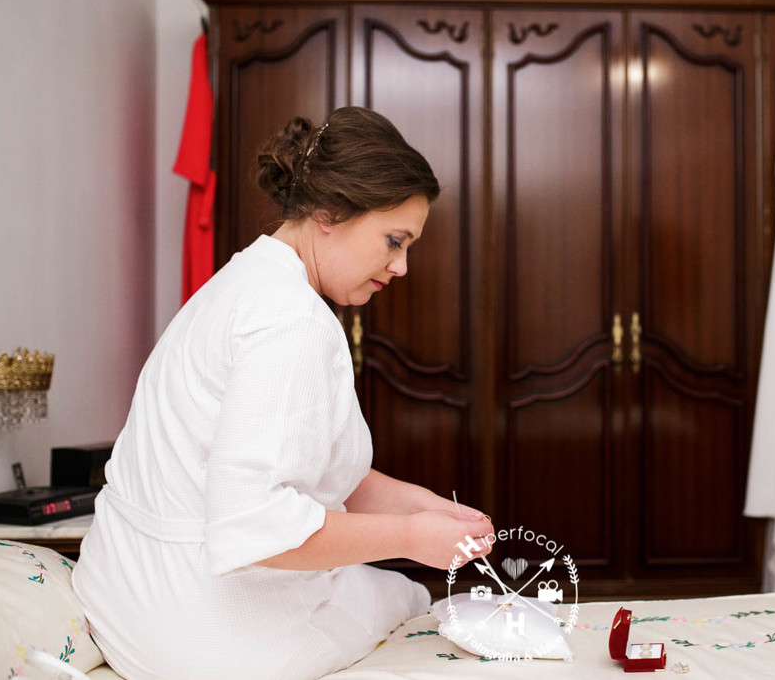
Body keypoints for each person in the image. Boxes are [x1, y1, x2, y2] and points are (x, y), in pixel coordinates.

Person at [72, 107, 495, 680]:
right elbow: (256, 522)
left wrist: (425, 508)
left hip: (124, 592)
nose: (400, 267)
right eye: (394, 241)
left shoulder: (244, 282)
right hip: (199, 632)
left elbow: (311, 466)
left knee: (386, 587)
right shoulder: (289, 322)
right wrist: (411, 537)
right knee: (405, 596)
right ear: (329, 212)